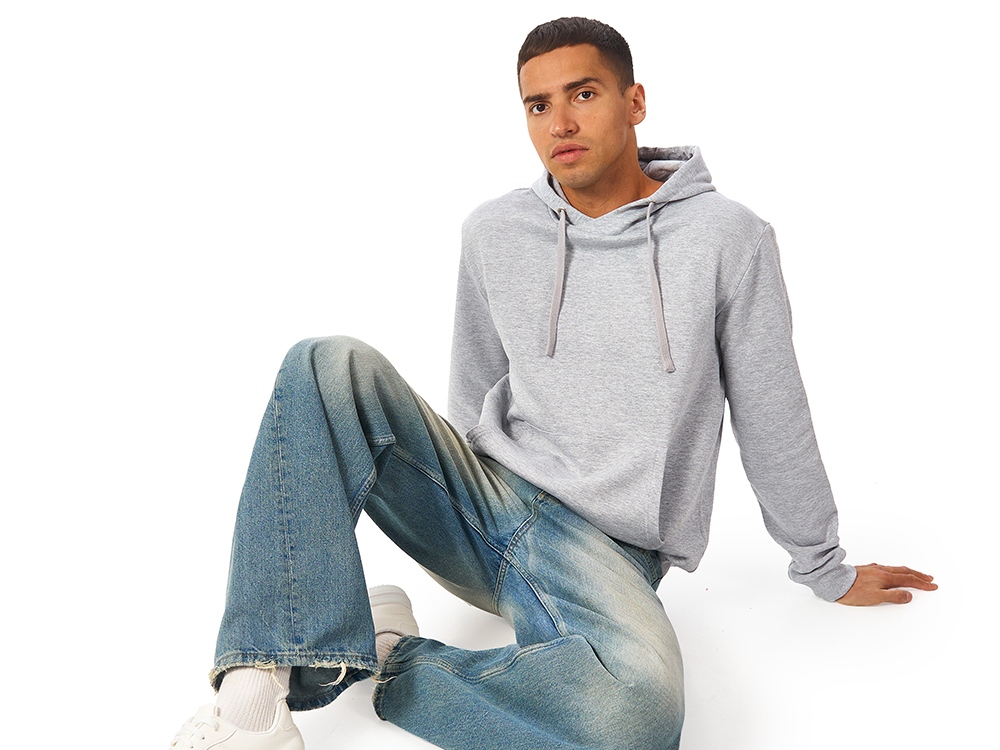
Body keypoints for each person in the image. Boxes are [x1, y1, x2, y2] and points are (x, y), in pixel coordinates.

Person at [169, 16, 937, 750]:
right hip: (484, 507)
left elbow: (772, 412)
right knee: (323, 363)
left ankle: (388, 653)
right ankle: (251, 697)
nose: (559, 123)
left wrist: (824, 566)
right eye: (538, 105)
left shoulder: (727, 240)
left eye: (583, 94)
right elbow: (471, 392)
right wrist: (464, 496)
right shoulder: (495, 230)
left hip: (605, 554)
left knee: (637, 720)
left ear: (635, 101)